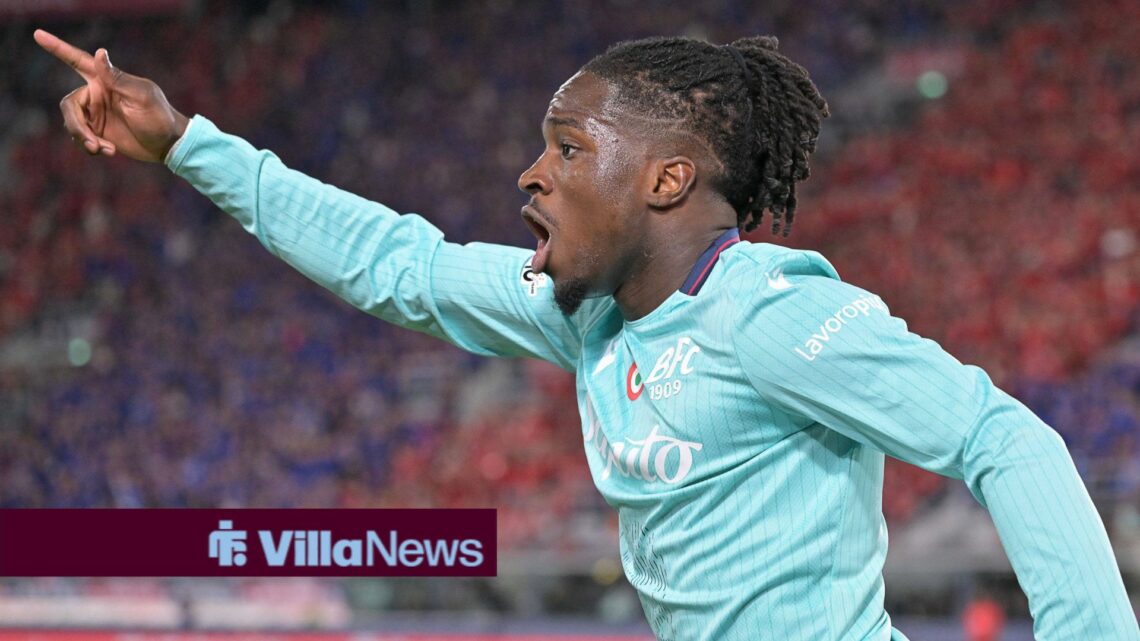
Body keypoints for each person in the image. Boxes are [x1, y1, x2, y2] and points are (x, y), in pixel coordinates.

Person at [34, 28, 1139, 641]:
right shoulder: (587, 316)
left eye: (567, 148)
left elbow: (1003, 437)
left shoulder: (770, 314)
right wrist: (189, 144)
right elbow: (397, 263)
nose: (532, 172)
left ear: (665, 179)